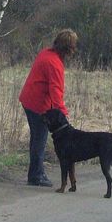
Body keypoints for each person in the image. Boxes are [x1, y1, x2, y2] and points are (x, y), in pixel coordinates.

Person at [19, 29, 78, 187]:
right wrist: (63, 114)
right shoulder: (55, 64)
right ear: (68, 49)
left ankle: (34, 173)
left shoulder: (45, 53)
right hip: (38, 104)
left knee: (36, 138)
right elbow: (56, 92)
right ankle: (36, 176)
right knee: (39, 139)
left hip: (28, 99)